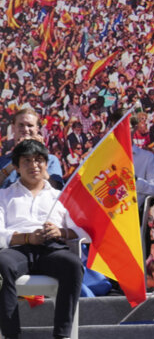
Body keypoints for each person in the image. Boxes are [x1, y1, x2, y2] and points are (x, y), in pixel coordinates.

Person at [0, 140, 88, 339]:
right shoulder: (3, 196)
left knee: (73, 265)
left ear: (46, 164)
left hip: (52, 249)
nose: (34, 166)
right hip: (16, 249)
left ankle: (62, 335)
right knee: (0, 265)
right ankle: (11, 335)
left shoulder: (61, 196)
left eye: (39, 160)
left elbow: (83, 231)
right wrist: (28, 237)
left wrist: (61, 232)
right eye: (27, 161)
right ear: (16, 166)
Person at [0, 108, 63, 189]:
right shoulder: (2, 161)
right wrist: (17, 157)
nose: (26, 129)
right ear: (13, 128)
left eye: (30, 125)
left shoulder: (51, 160)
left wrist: (38, 156)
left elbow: (56, 190)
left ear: (37, 129)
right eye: (21, 125)